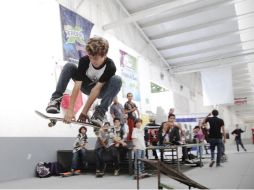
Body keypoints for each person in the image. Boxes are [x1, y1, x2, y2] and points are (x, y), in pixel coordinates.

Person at [46, 36, 122, 131]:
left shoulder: (110, 66)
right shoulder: (84, 61)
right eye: (90, 57)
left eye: (95, 58)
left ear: (105, 55)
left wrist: (84, 112)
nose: (92, 61)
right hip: (85, 86)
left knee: (117, 79)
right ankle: (55, 99)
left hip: (100, 91)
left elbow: (96, 89)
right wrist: (70, 109)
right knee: (69, 66)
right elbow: (77, 85)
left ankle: (99, 113)